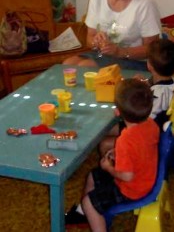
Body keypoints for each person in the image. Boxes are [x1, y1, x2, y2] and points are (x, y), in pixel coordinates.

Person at [65, 79, 160, 231]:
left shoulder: (125, 140)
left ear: (117, 111)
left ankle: (91, 213)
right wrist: (120, 155)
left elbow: (127, 176)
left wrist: (108, 167)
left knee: (89, 202)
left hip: (132, 189)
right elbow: (142, 148)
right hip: (147, 177)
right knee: (92, 176)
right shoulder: (151, 124)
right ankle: (83, 214)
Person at [99, 38, 174, 156]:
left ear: (149, 65)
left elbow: (141, 117)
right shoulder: (169, 82)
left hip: (146, 134)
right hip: (153, 128)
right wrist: (145, 84)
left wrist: (128, 102)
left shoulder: (158, 95)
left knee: (105, 142)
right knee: (108, 129)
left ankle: (116, 170)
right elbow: (155, 90)